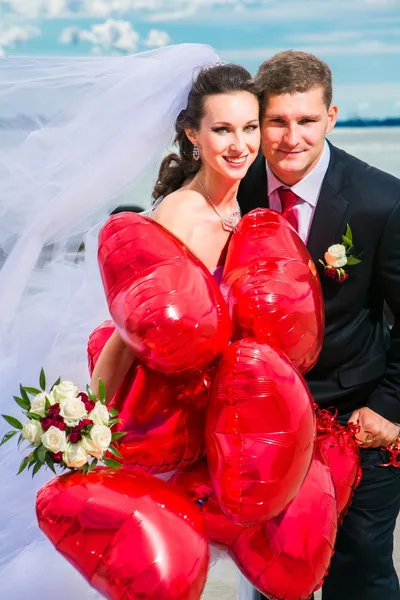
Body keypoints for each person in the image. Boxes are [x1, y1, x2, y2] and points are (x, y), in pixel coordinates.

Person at [237, 50, 400, 600]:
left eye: (306, 120)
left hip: (358, 419)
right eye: (276, 121)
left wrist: (389, 408)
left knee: (362, 572)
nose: (290, 138)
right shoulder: (231, 191)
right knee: (274, 574)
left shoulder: (384, 200)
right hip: (260, 427)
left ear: (331, 117)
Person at [90, 62, 261, 399]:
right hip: (173, 404)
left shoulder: (245, 201)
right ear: (193, 133)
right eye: (223, 130)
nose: (240, 145)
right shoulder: (180, 217)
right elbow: (130, 334)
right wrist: (89, 423)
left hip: (230, 398)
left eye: (250, 127)